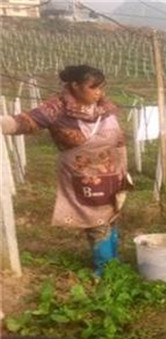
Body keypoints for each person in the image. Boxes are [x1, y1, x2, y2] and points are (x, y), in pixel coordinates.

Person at [0, 65, 131, 276]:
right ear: (75, 86)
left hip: (113, 172)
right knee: (96, 220)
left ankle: (113, 262)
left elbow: (118, 137)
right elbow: (26, 121)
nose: (100, 93)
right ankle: (105, 270)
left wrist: (124, 167)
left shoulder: (104, 106)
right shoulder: (57, 108)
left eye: (102, 88)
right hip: (85, 178)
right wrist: (3, 124)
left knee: (112, 215)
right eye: (94, 88)